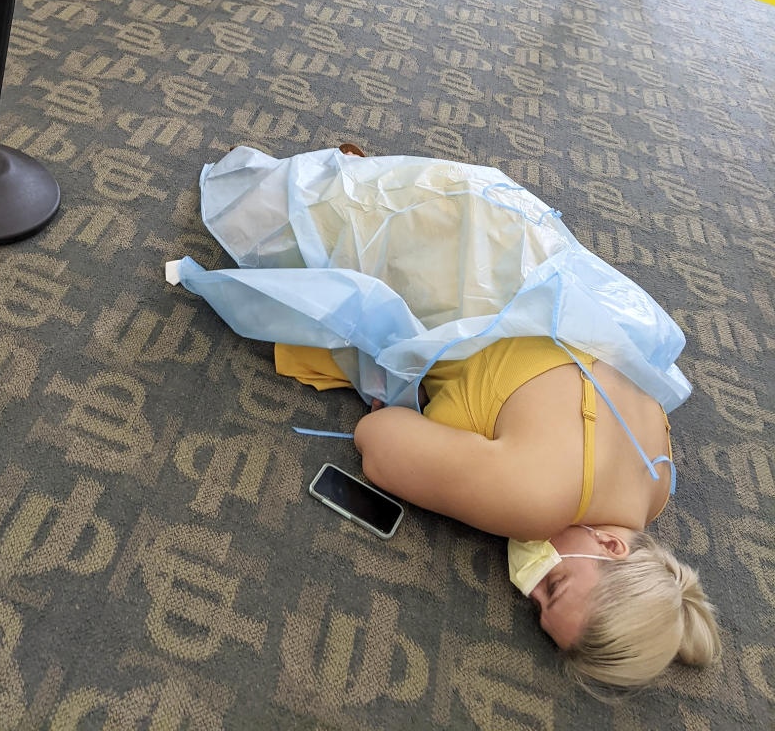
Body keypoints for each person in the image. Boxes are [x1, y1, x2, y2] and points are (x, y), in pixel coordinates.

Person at [169, 144, 722, 689]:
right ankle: (348, 187)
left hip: (506, 231)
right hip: (435, 259)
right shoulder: (535, 503)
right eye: (553, 585)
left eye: (536, 607)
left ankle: (366, 177)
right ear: (612, 548)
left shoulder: (658, 486)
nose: (527, 586)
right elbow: (376, 441)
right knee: (260, 223)